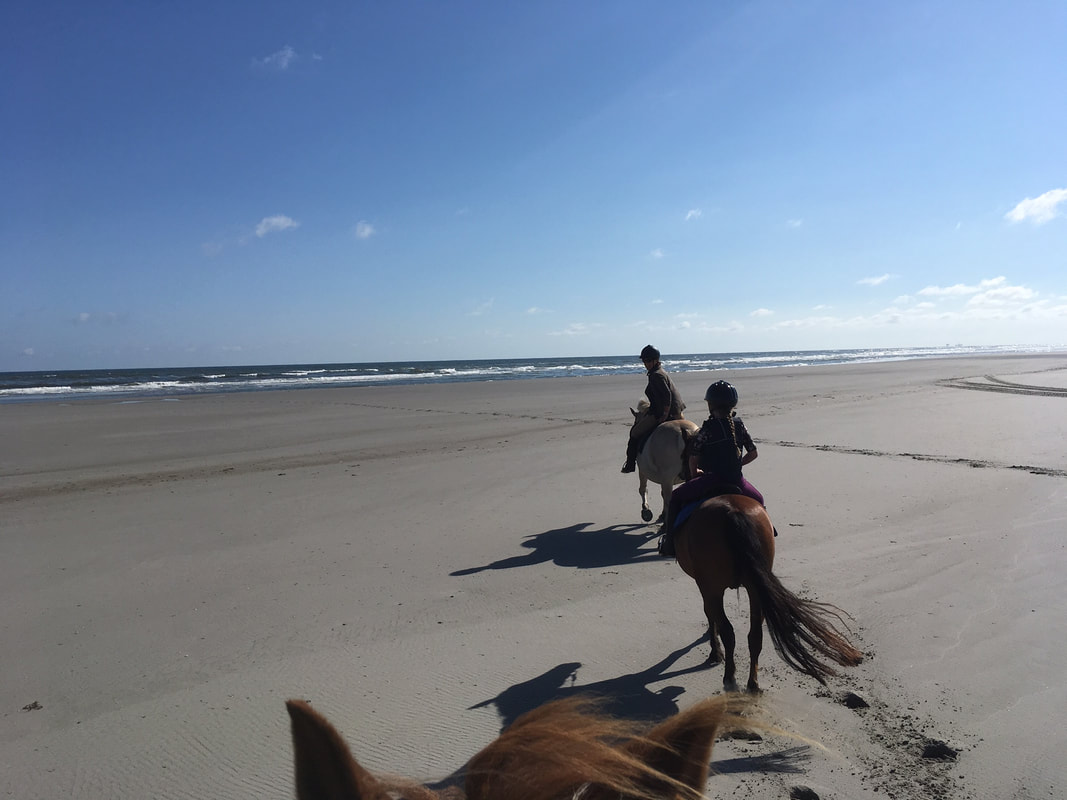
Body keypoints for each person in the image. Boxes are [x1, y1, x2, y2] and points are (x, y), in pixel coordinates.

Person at [658, 380, 764, 557]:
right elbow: (753, 454)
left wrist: (695, 474)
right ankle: (766, 535)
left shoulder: (707, 428)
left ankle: (669, 544)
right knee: (759, 500)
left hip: (712, 479)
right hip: (737, 480)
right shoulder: (740, 425)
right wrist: (738, 464)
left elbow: (693, 458)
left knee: (676, 497)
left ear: (711, 405)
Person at [621, 345, 686, 473]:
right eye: (644, 361)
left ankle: (630, 464)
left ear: (656, 360)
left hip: (664, 412)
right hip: (677, 410)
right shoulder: (661, 371)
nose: (646, 364)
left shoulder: (656, 375)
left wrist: (664, 415)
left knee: (634, 433)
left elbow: (666, 395)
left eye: (649, 361)